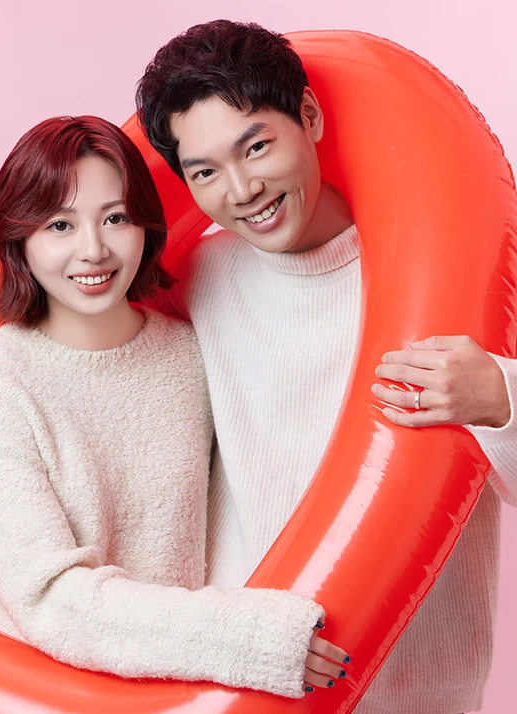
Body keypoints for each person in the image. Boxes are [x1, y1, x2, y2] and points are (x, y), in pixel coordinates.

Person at [136, 20, 517, 714]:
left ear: (308, 117)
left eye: (256, 146)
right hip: (249, 680)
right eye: (205, 172)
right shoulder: (199, 277)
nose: (242, 188)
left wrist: (501, 398)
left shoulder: (451, 268)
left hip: (422, 689)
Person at [0, 115, 351, 697]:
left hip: (167, 685)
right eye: (59, 225)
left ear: (144, 226)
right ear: (20, 239)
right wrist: (252, 638)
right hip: (16, 683)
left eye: (115, 218)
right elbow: (49, 599)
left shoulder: (188, 354)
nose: (93, 250)